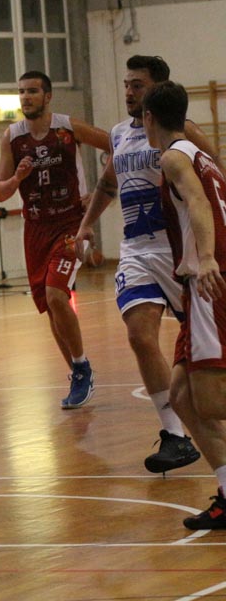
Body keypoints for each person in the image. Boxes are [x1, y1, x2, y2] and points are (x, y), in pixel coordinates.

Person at [76, 56, 215, 472]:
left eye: (137, 85)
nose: (129, 92)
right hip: (136, 250)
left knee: (208, 348)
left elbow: (212, 181)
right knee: (139, 335)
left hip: (179, 251)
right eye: (126, 84)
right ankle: (174, 435)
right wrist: (86, 226)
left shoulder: (184, 133)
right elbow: (107, 184)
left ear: (157, 89)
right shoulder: (119, 134)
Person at [0, 71, 111, 409]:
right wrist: (18, 177)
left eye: (32, 91)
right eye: (21, 92)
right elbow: (0, 192)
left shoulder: (67, 128)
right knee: (51, 307)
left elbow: (116, 146)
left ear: (47, 96)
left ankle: (82, 368)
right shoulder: (12, 137)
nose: (25, 97)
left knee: (56, 295)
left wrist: (100, 193)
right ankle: (77, 371)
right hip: (35, 229)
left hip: (70, 224)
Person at [140, 81, 226, 529]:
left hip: (209, 282)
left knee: (209, 401)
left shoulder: (175, 157)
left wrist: (207, 257)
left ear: (149, 118)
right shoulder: (203, 155)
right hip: (199, 287)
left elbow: (198, 203)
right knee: (181, 397)